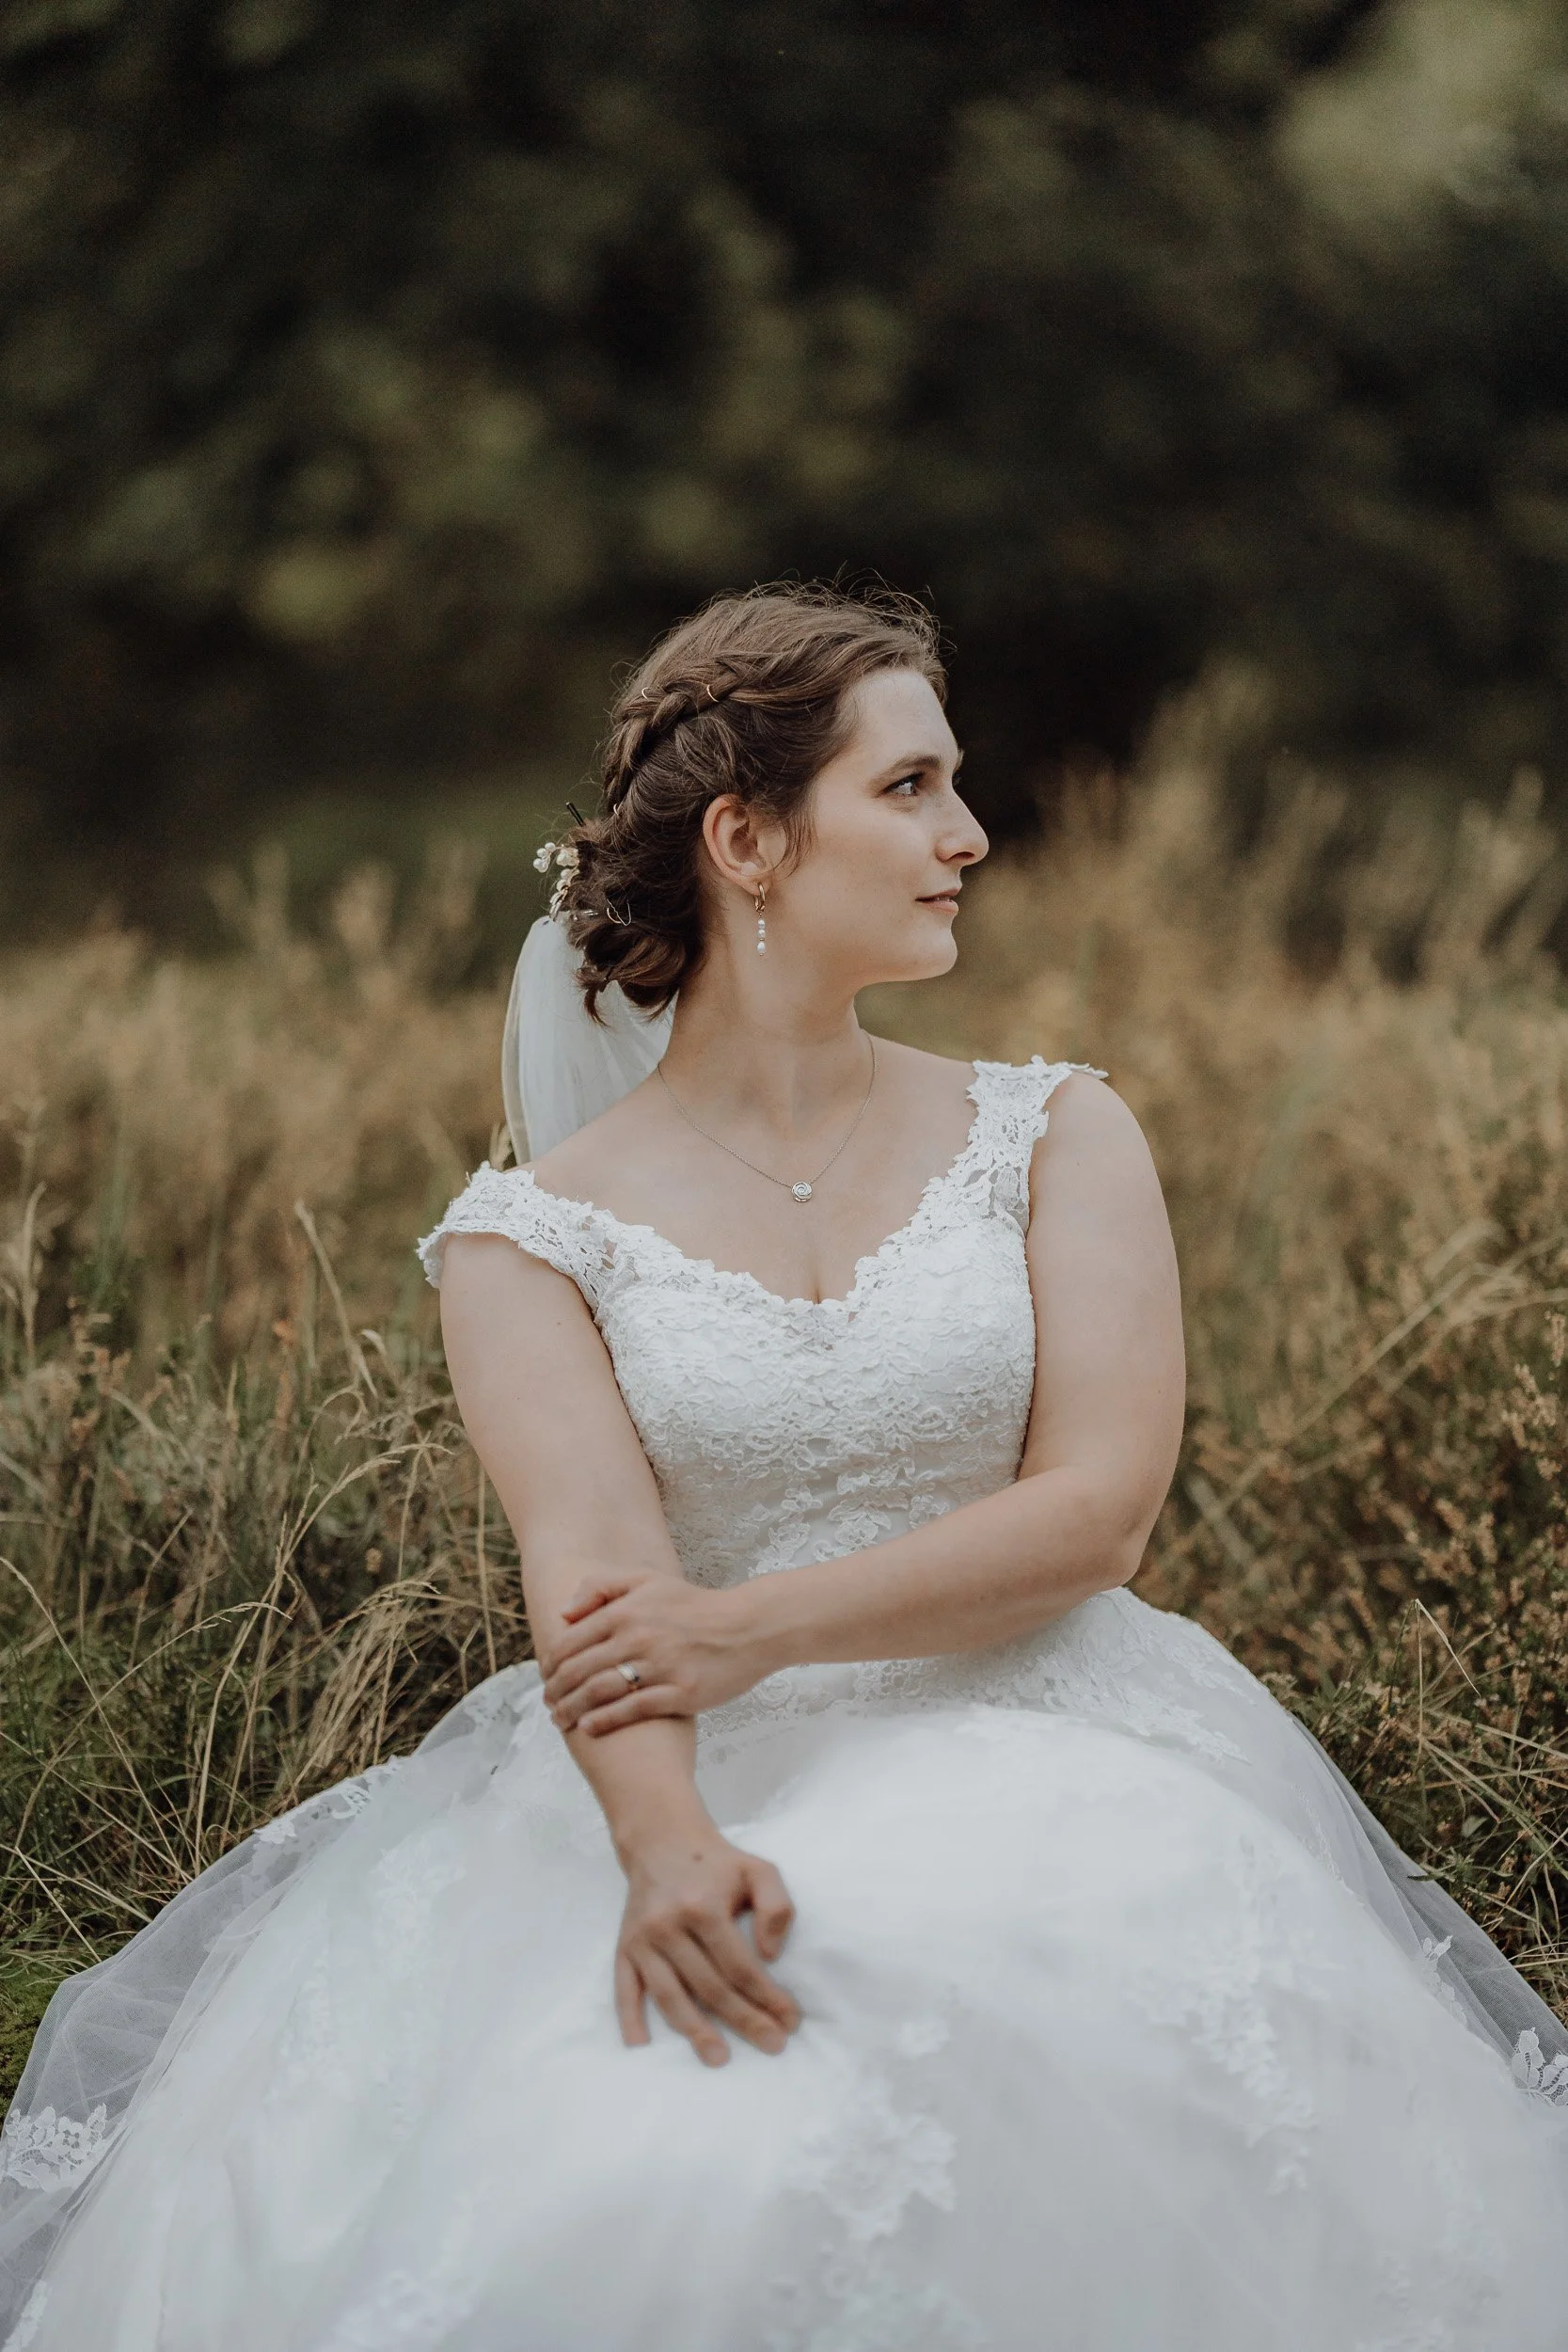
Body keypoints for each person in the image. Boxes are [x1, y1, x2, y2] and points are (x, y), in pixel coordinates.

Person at [2, 583, 1564, 2351]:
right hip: (697, 1773)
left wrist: (750, 1629)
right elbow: (591, 1573)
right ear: (746, 839)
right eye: (907, 790)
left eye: (953, 786)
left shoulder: (1055, 1133)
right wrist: (665, 1848)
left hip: (1056, 1729)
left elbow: (1098, 1513)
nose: (966, 835)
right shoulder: (531, 1238)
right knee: (663, 2156)